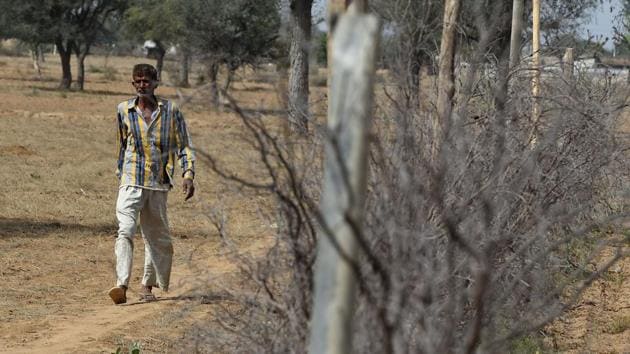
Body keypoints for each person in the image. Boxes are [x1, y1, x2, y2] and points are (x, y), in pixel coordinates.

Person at [108, 63, 195, 304]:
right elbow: (121, 145)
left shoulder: (171, 111)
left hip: (158, 182)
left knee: (154, 236)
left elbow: (183, 145)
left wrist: (188, 174)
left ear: (156, 83)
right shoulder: (124, 110)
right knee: (125, 230)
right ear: (132, 83)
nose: (142, 85)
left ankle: (147, 285)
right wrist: (120, 173)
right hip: (131, 180)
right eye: (137, 81)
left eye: (147, 81)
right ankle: (121, 284)